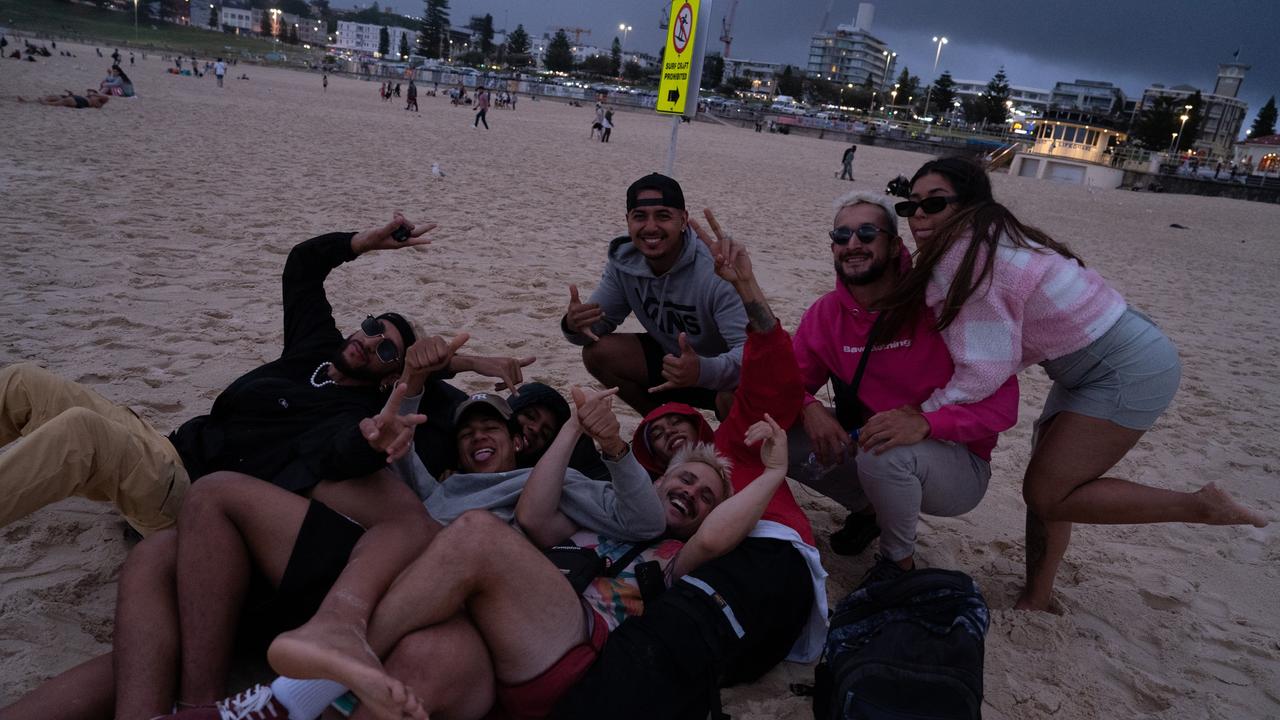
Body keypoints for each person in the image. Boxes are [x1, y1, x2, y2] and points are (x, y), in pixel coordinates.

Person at [877, 156, 1268, 610]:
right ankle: (1038, 596)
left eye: (935, 204)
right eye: (911, 206)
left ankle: (1198, 506)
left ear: (969, 207)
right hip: (1099, 358)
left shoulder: (975, 263)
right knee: (1049, 483)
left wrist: (924, 416)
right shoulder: (987, 242)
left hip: (1126, 369)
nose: (919, 216)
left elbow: (985, 369)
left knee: (1048, 493)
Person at [0, 213, 442, 536]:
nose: (367, 342)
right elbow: (302, 267)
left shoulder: (350, 413)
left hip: (183, 496)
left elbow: (342, 453)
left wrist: (370, 441)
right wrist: (361, 243)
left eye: (385, 348)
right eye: (370, 327)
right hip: (162, 446)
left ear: (389, 378)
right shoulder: (314, 347)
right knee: (21, 383)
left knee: (81, 433)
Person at [789, 190, 1018, 575]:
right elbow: (785, 382)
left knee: (885, 452)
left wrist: (927, 423)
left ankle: (898, 566)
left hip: (956, 461)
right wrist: (808, 406)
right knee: (776, 431)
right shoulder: (827, 313)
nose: (853, 245)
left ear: (895, 245)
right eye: (841, 237)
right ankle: (868, 511)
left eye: (866, 233)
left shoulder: (942, 306)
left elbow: (1003, 405)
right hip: (871, 439)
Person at [562, 173, 747, 418]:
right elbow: (593, 331)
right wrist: (573, 325)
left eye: (663, 216)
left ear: (684, 220)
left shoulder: (716, 269)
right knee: (598, 353)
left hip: (722, 375)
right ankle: (663, 424)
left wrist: (702, 370)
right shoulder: (625, 262)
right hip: (672, 367)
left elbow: (750, 355)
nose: (650, 227)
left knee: (735, 396)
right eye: (640, 217)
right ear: (627, 221)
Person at [18, 91, 110, 109]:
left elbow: (105, 98)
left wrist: (94, 94)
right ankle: (28, 101)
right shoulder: (94, 97)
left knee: (58, 102)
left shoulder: (99, 104)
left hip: (80, 102)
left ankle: (44, 103)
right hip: (77, 98)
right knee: (53, 97)